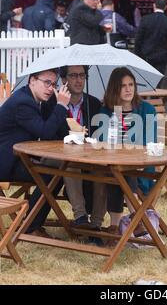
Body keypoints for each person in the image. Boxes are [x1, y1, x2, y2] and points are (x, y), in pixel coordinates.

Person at [0, 69, 71, 238]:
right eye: (47, 83)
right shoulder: (23, 102)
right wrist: (61, 105)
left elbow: (58, 131)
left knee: (54, 172)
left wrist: (55, 102)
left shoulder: (36, 100)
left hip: (12, 158)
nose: (50, 88)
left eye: (54, 84)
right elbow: (45, 132)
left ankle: (32, 224)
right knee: (51, 176)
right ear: (32, 81)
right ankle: (30, 227)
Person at [41, 65, 106, 231]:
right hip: (57, 155)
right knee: (71, 163)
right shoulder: (51, 104)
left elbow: (100, 136)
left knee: (103, 169)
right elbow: (46, 136)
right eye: (73, 76)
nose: (78, 80)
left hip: (88, 155)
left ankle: (96, 224)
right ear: (64, 80)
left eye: (82, 75)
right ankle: (80, 216)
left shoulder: (93, 103)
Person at [96, 67, 156, 234]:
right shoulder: (106, 112)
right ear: (115, 88)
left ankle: (117, 226)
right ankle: (135, 219)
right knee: (117, 172)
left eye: (131, 84)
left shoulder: (147, 110)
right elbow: (102, 143)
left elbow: (148, 142)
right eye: (123, 86)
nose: (129, 89)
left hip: (141, 167)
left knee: (123, 173)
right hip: (113, 166)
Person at [135, 0, 167, 89]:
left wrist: (139, 55)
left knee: (144, 85)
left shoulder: (145, 19)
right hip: (161, 58)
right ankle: (156, 102)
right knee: (157, 87)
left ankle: (146, 102)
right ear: (166, 7)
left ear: (154, 5)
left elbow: (138, 39)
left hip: (146, 57)